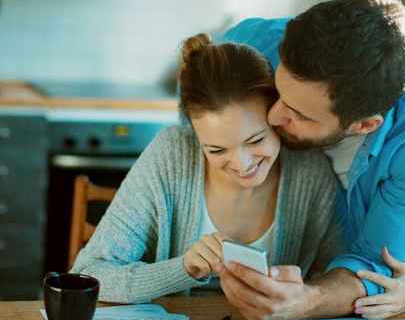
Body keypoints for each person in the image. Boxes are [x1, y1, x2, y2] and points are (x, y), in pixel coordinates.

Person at [216, 0, 405, 320]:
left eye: (299, 114)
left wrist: (308, 300)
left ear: (364, 124)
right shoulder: (249, 48)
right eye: (279, 90)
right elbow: (198, 119)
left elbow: (376, 265)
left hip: (344, 312)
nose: (273, 117)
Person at [70, 33, 346, 304]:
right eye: (216, 150)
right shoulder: (172, 154)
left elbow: (342, 276)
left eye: (256, 140)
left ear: (276, 114)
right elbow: (88, 274)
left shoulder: (310, 170)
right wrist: (184, 269)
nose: (242, 164)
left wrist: (306, 295)